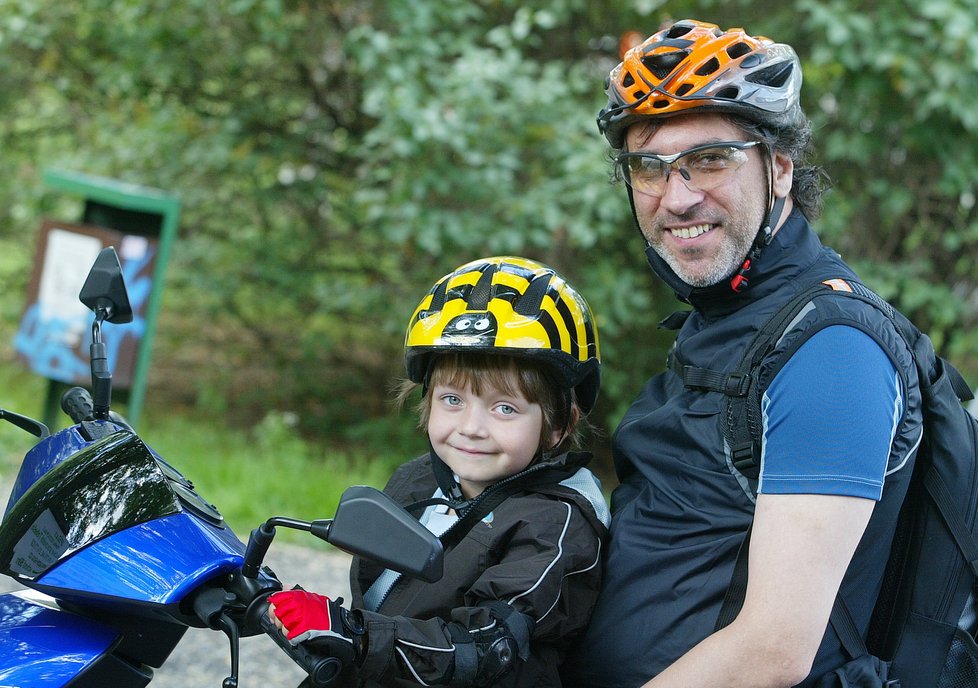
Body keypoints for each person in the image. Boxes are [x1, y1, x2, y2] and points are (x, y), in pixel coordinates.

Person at [560, 19, 923, 688]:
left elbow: (772, 650)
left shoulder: (831, 350)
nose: (678, 197)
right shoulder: (729, 320)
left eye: (710, 158)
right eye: (650, 167)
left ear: (779, 167)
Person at [268, 256, 610, 687]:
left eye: (505, 408)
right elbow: (377, 602)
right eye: (453, 400)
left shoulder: (556, 526)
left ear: (560, 423)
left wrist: (356, 636)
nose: (471, 427)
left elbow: (486, 649)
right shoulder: (419, 480)